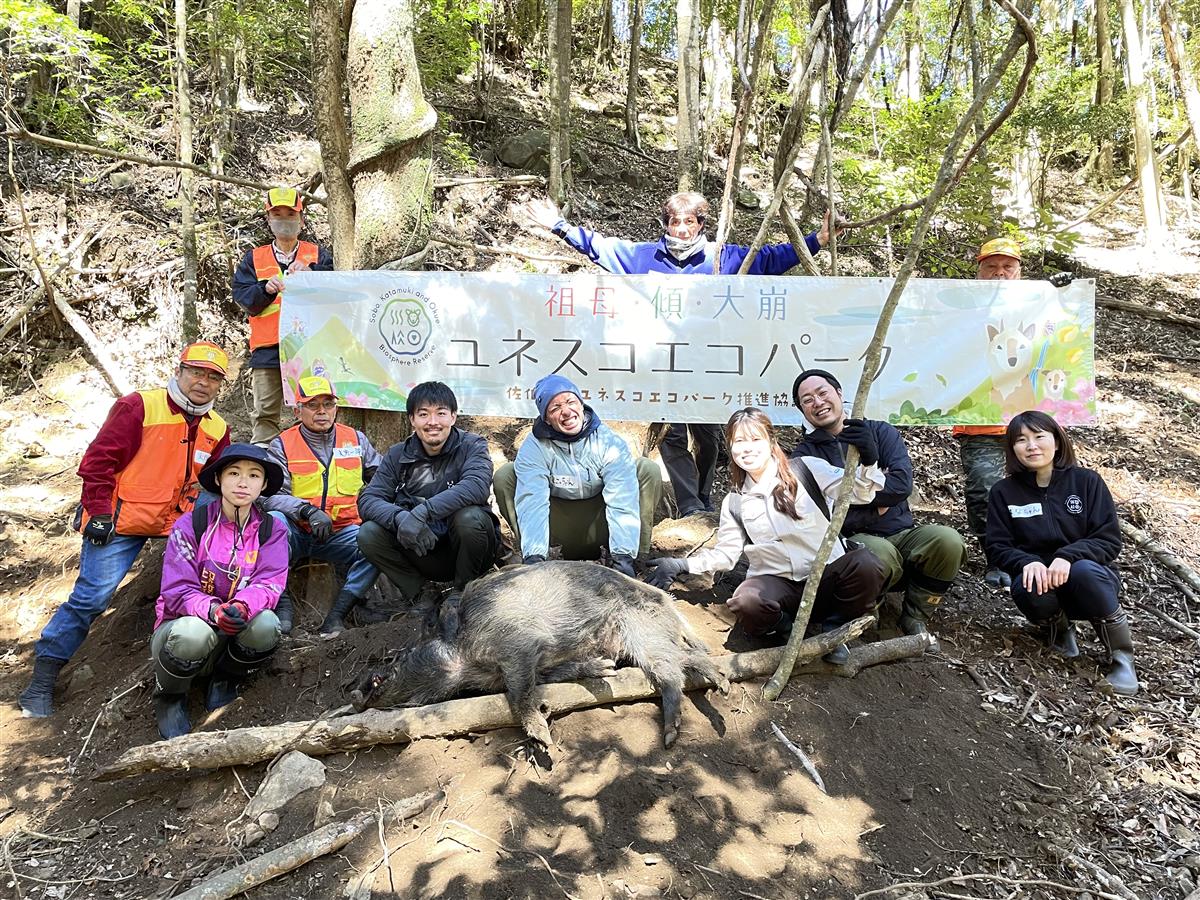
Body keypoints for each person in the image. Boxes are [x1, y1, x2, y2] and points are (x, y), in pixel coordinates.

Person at [524, 191, 842, 521]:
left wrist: (818, 239)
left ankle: (703, 494)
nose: (682, 230)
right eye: (675, 222)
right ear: (666, 224)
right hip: (661, 365)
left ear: (701, 224)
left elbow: (771, 259)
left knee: (707, 437)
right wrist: (558, 225)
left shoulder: (723, 259)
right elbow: (599, 246)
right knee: (671, 436)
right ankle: (690, 502)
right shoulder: (644, 257)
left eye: (689, 222)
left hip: (710, 367)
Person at [18, 342, 232, 718]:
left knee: (209, 583)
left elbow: (217, 483)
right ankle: (43, 678)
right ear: (180, 371)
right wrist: (98, 511)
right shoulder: (139, 407)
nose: (203, 382)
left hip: (174, 522)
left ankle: (202, 669)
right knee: (91, 598)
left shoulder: (217, 427)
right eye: (197, 372)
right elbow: (97, 462)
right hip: (122, 519)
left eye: (213, 377)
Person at [643, 408, 886, 662]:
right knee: (746, 601)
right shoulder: (735, 502)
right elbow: (726, 555)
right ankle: (788, 633)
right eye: (739, 442)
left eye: (755, 439)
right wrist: (681, 564)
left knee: (866, 564)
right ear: (730, 447)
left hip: (826, 578)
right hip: (781, 588)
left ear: (771, 442)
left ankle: (835, 631)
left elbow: (859, 491)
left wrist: (869, 460)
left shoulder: (806, 470)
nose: (747, 449)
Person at [791, 369, 967, 638]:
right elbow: (823, 513)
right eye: (807, 399)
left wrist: (854, 497)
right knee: (877, 552)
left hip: (903, 533)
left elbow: (900, 485)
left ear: (839, 393)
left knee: (948, 540)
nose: (817, 402)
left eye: (822, 392)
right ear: (802, 410)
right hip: (856, 541)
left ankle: (916, 615)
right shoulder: (806, 455)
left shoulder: (880, 432)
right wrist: (874, 503)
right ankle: (867, 613)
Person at [984, 411, 1136, 695]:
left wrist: (1067, 556)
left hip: (1090, 582)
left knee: (1083, 570)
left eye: (1039, 437)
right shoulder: (1004, 492)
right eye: (1021, 440)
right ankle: (1060, 631)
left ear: (1056, 441)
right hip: (1042, 586)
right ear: (1012, 449)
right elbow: (997, 546)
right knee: (1028, 583)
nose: (1032, 446)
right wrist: (1027, 562)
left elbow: (1108, 539)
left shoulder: (1087, 482)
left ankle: (1122, 658)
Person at [151, 444, 289, 738]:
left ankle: (226, 679)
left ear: (264, 485)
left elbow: (270, 581)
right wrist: (213, 610)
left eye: (254, 476)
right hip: (183, 632)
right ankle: (170, 697)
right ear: (218, 479)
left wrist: (241, 607)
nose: (243, 482)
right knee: (193, 633)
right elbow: (177, 589)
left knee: (267, 625)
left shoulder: (271, 530)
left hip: (234, 632)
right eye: (234, 473)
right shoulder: (191, 525)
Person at [494, 374, 663, 574]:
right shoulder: (534, 448)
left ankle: (635, 560)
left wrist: (623, 557)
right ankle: (535, 561)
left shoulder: (608, 441)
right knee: (506, 475)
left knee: (646, 469)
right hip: (558, 526)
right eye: (555, 408)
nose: (566, 411)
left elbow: (622, 499)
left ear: (581, 404)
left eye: (570, 402)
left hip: (600, 525)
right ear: (546, 419)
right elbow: (533, 502)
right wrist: (535, 558)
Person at [356, 382, 500, 605]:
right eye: (423, 414)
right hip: (422, 548)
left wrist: (424, 511)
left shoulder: (472, 445)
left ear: (453, 416)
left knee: (470, 518)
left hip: (468, 549)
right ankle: (421, 594)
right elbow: (368, 500)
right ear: (412, 420)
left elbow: (476, 485)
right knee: (368, 533)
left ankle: (463, 592)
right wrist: (400, 517)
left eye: (440, 413)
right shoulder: (397, 454)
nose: (433, 422)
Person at [262, 376, 383, 637]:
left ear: (336, 408)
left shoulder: (356, 439)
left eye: (328, 404)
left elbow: (383, 478)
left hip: (342, 533)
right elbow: (269, 495)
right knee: (272, 521)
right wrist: (306, 511)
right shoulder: (282, 444)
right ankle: (282, 605)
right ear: (297, 411)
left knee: (379, 541)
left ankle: (339, 613)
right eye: (312, 405)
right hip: (297, 531)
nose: (321, 412)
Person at [232, 187, 333, 446]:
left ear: (301, 219)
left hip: (310, 349)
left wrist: (312, 272)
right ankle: (263, 467)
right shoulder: (253, 258)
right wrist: (264, 289)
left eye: (290, 213)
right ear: (268, 219)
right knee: (265, 413)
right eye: (277, 213)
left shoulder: (318, 255)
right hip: (268, 349)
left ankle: (310, 460)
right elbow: (244, 299)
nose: (284, 219)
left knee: (314, 408)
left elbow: (336, 289)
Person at [954, 237, 1023, 589]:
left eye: (1007, 267)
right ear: (979, 271)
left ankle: (1031, 555)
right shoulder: (962, 307)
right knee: (984, 490)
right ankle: (997, 556)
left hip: (1030, 423)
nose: (999, 274)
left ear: (1019, 271)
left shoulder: (1040, 305)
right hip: (979, 423)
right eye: (991, 267)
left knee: (1037, 490)